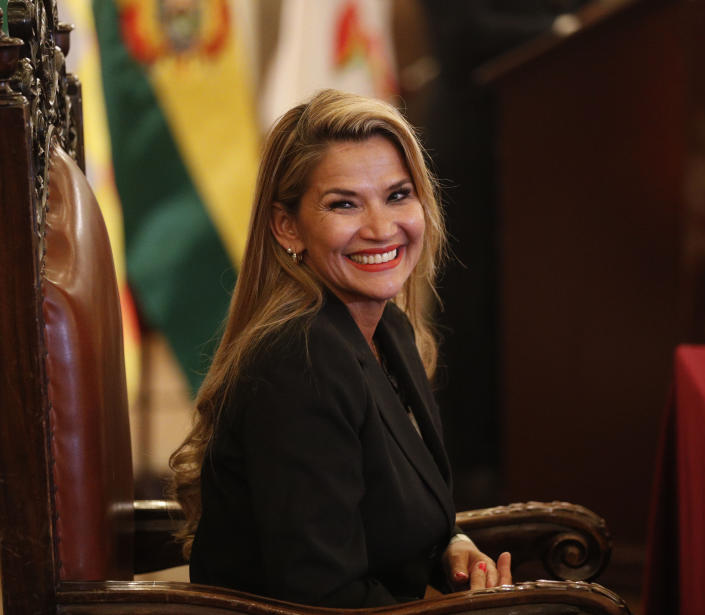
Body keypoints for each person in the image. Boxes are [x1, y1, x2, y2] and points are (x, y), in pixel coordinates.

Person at [169, 89, 511, 608]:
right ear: (288, 227)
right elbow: (325, 597)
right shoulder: (300, 362)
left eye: (398, 195)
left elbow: (382, 512)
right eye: (344, 204)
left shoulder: (386, 329)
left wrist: (450, 546)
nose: (380, 228)